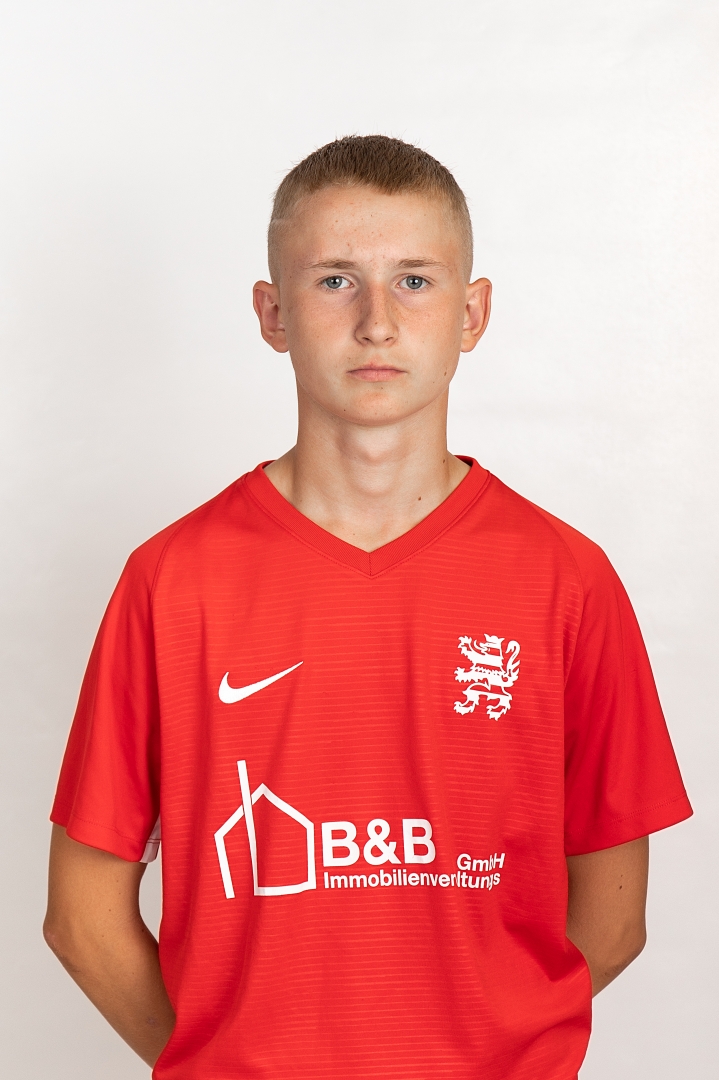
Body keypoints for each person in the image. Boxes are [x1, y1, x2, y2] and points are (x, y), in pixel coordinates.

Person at [43, 135, 692, 1080]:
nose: (377, 323)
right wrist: (220, 1062)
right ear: (273, 313)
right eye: (335, 281)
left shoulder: (566, 580)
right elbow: (81, 919)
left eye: (415, 282)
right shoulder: (172, 581)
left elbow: (614, 917)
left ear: (472, 314)